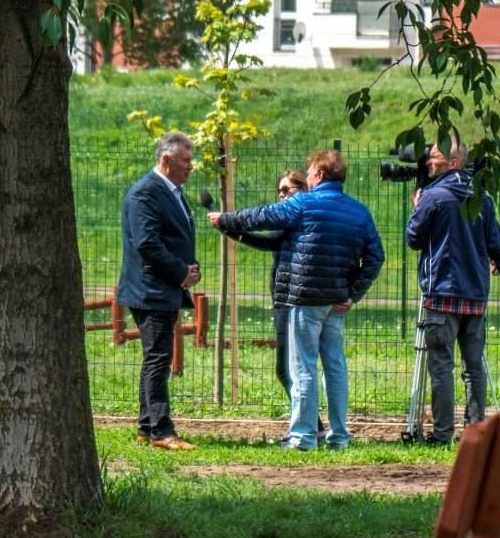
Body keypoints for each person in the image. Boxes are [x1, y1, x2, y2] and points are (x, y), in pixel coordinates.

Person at [210, 149, 384, 451]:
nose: (308, 176)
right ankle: (340, 436)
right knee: (335, 367)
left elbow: (262, 216)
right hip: (337, 302)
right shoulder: (360, 211)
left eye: (311, 171)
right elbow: (375, 256)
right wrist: (354, 293)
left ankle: (302, 437)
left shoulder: (303, 203)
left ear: (319, 175)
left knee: (302, 366)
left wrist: (225, 218)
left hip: (304, 298)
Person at [404, 139, 500, 444]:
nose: (428, 161)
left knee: (441, 366)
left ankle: (442, 435)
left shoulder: (434, 197)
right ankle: (476, 432)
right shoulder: (483, 199)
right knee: (473, 367)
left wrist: (417, 208)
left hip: (441, 293)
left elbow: (413, 238)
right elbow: (498, 246)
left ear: (453, 163)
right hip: (476, 296)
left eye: (434, 157)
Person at [117, 131, 202, 450]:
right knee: (158, 359)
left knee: (156, 357)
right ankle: (161, 432)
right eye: (186, 160)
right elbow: (147, 243)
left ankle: (145, 427)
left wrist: (189, 270)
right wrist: (181, 271)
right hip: (149, 290)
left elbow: (174, 237)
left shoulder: (173, 191)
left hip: (162, 287)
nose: (191, 166)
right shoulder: (145, 193)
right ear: (166, 161)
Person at [218, 168, 308, 401]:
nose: (281, 195)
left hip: (291, 299)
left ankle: (310, 425)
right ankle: (311, 424)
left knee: (287, 371)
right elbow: (272, 242)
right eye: (279, 190)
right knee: (293, 370)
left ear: (304, 188)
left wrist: (230, 225)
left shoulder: (297, 216)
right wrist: (233, 232)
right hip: (284, 297)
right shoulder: (294, 217)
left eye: (287, 189)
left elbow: (270, 239)